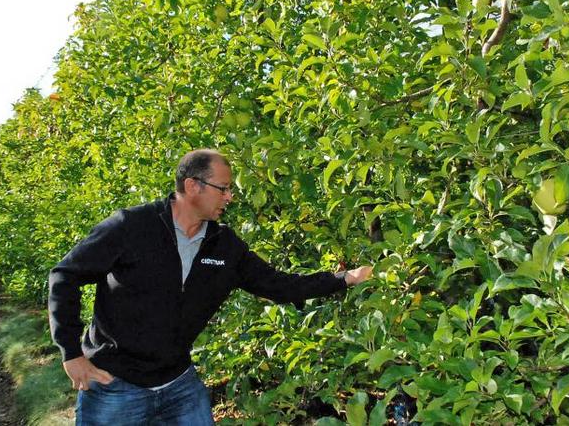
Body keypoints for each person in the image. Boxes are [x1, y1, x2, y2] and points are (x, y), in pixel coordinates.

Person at [48, 149, 372, 425]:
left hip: (177, 382)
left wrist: (342, 279)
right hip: (115, 383)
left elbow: (278, 284)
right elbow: (65, 275)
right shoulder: (132, 227)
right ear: (193, 186)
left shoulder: (224, 246)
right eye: (223, 189)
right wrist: (71, 353)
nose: (229, 197)